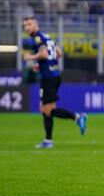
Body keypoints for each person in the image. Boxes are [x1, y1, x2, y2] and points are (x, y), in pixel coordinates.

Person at [22, 17, 87, 149]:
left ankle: (77, 116)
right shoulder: (47, 36)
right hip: (54, 75)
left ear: (36, 24)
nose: (26, 27)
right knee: (46, 108)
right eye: (24, 25)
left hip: (48, 78)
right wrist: (41, 65)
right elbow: (59, 53)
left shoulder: (37, 38)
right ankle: (48, 140)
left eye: (29, 24)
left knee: (46, 110)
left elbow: (45, 54)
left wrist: (31, 57)